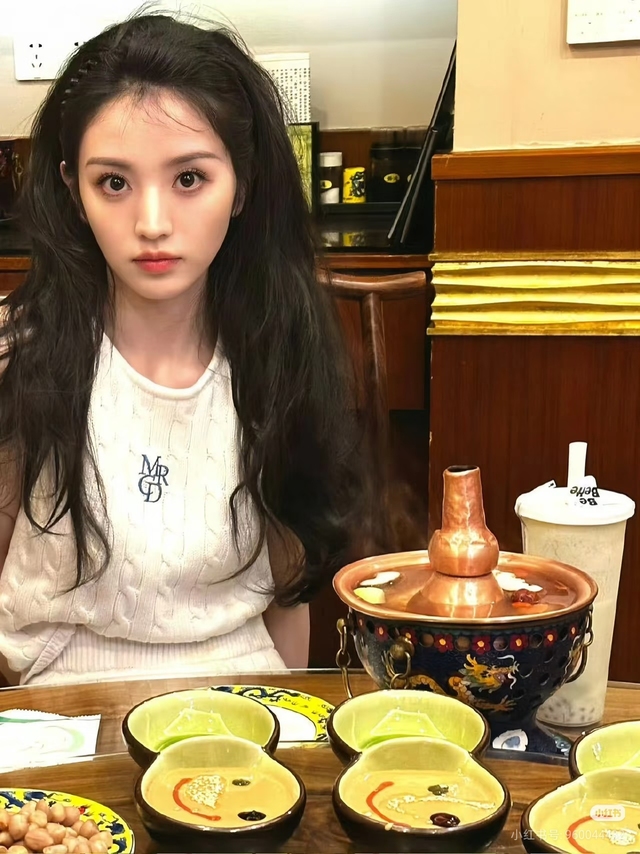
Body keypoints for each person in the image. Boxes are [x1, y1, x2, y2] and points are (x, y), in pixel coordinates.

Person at [0, 12, 372, 685]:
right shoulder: (19, 355)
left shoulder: (280, 351)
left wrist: (291, 719)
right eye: (114, 183)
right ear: (73, 191)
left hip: (245, 694)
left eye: (189, 179)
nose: (152, 223)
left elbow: (287, 597)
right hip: (59, 700)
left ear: (242, 184)